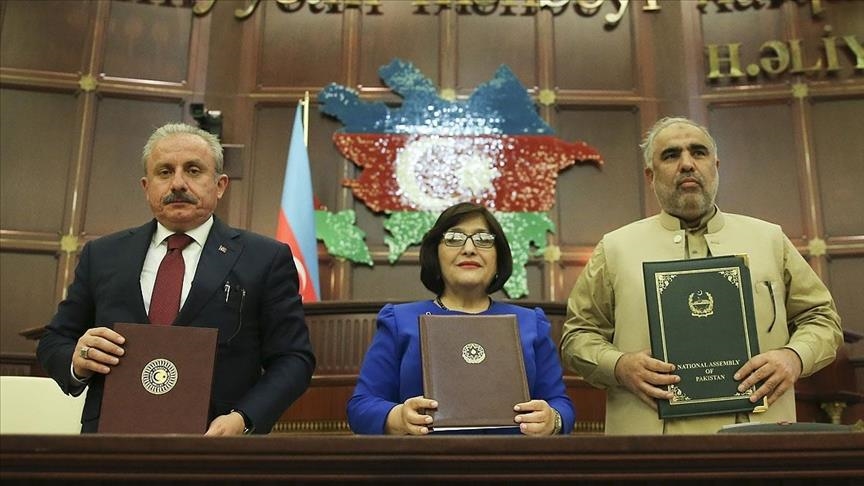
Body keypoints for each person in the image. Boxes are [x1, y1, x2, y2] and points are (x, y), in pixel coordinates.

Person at [559, 116, 842, 435]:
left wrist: (793, 357)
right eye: (671, 155)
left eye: (698, 152)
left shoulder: (770, 240)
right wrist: (619, 366)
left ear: (715, 166)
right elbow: (577, 337)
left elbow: (822, 319)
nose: (687, 164)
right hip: (648, 444)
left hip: (758, 439)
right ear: (650, 175)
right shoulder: (615, 249)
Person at [37, 123, 316, 435]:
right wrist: (77, 360)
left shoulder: (264, 258)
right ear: (146, 186)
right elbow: (54, 341)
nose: (178, 183)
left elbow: (294, 359)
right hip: (112, 441)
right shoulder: (103, 255)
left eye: (193, 170)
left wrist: (243, 418)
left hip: (216, 444)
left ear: (220, 185)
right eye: (165, 172)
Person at [348, 202, 575, 435]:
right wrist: (397, 417)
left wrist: (553, 419)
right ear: (436, 255)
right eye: (454, 238)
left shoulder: (530, 323)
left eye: (483, 239)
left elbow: (561, 404)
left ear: (499, 257)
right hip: (424, 456)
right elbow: (361, 407)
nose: (469, 249)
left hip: (510, 455)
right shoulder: (399, 321)